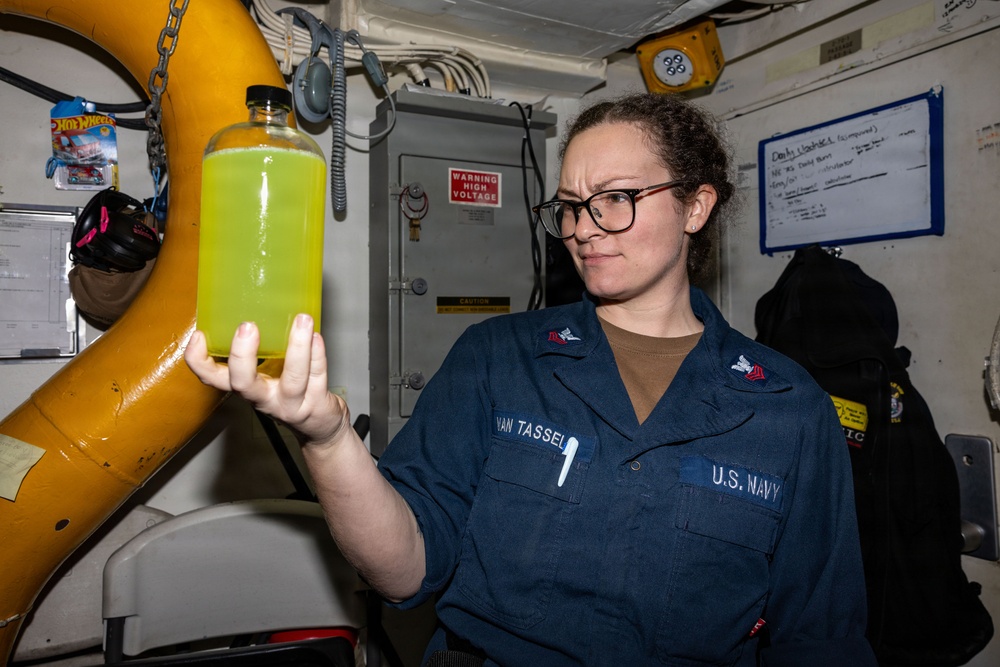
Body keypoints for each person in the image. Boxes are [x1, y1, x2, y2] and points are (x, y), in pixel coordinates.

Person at [185, 92, 876, 666]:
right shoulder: (497, 358)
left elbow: (820, 637)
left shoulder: (789, 407)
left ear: (696, 206)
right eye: (572, 205)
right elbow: (404, 570)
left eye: (617, 198)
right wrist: (328, 436)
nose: (585, 229)